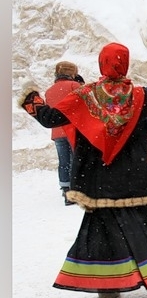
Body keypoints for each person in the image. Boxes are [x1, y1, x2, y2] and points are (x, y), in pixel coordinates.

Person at [19, 42, 147, 298]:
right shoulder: (141, 96)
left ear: (102, 63)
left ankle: (106, 285)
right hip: (138, 177)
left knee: (103, 232)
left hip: (99, 178)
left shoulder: (84, 96)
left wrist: (30, 98)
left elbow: (50, 119)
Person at [44, 61, 83, 206]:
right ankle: (76, 189)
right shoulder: (74, 86)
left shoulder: (49, 91)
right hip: (73, 130)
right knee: (76, 159)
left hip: (57, 131)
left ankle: (65, 190)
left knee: (63, 161)